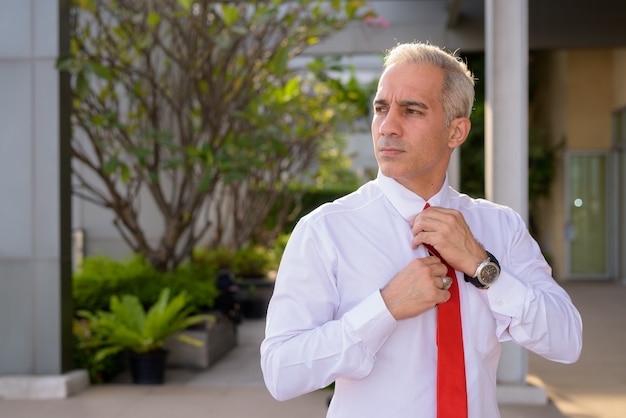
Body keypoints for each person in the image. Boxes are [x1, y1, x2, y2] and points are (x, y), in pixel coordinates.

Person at [260, 41, 582, 418]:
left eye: (411, 111)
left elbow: (567, 341)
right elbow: (281, 373)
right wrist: (384, 307)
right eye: (381, 108)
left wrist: (483, 268)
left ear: (456, 131)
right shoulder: (325, 230)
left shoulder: (500, 226)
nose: (388, 127)